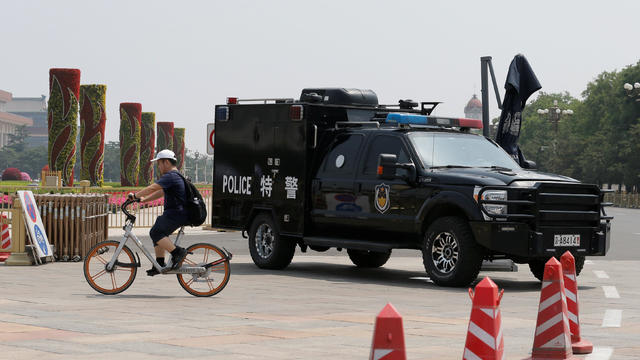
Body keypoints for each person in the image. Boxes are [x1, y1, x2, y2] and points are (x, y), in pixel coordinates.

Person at [128, 149, 189, 276]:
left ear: (166, 162)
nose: (158, 166)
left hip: (177, 213)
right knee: (158, 231)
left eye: (159, 163)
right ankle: (159, 264)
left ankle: (178, 252)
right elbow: (161, 192)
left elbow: (154, 187)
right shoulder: (175, 175)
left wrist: (135, 195)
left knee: (156, 232)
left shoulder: (171, 175)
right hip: (176, 213)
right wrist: (144, 200)